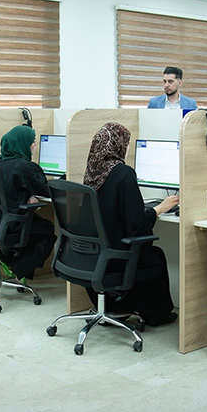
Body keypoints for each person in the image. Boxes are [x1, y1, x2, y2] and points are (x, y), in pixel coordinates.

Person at [83, 122, 179, 326]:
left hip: (91, 254)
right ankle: (157, 316)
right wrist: (159, 209)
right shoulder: (123, 173)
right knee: (155, 255)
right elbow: (135, 225)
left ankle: (115, 308)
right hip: (114, 257)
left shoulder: (92, 171)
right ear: (118, 145)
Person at [0, 125, 56, 280]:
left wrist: (28, 193)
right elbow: (47, 191)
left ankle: (9, 261)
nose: (35, 145)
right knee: (48, 230)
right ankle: (17, 267)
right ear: (22, 144)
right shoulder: (25, 167)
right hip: (13, 223)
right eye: (32, 142)